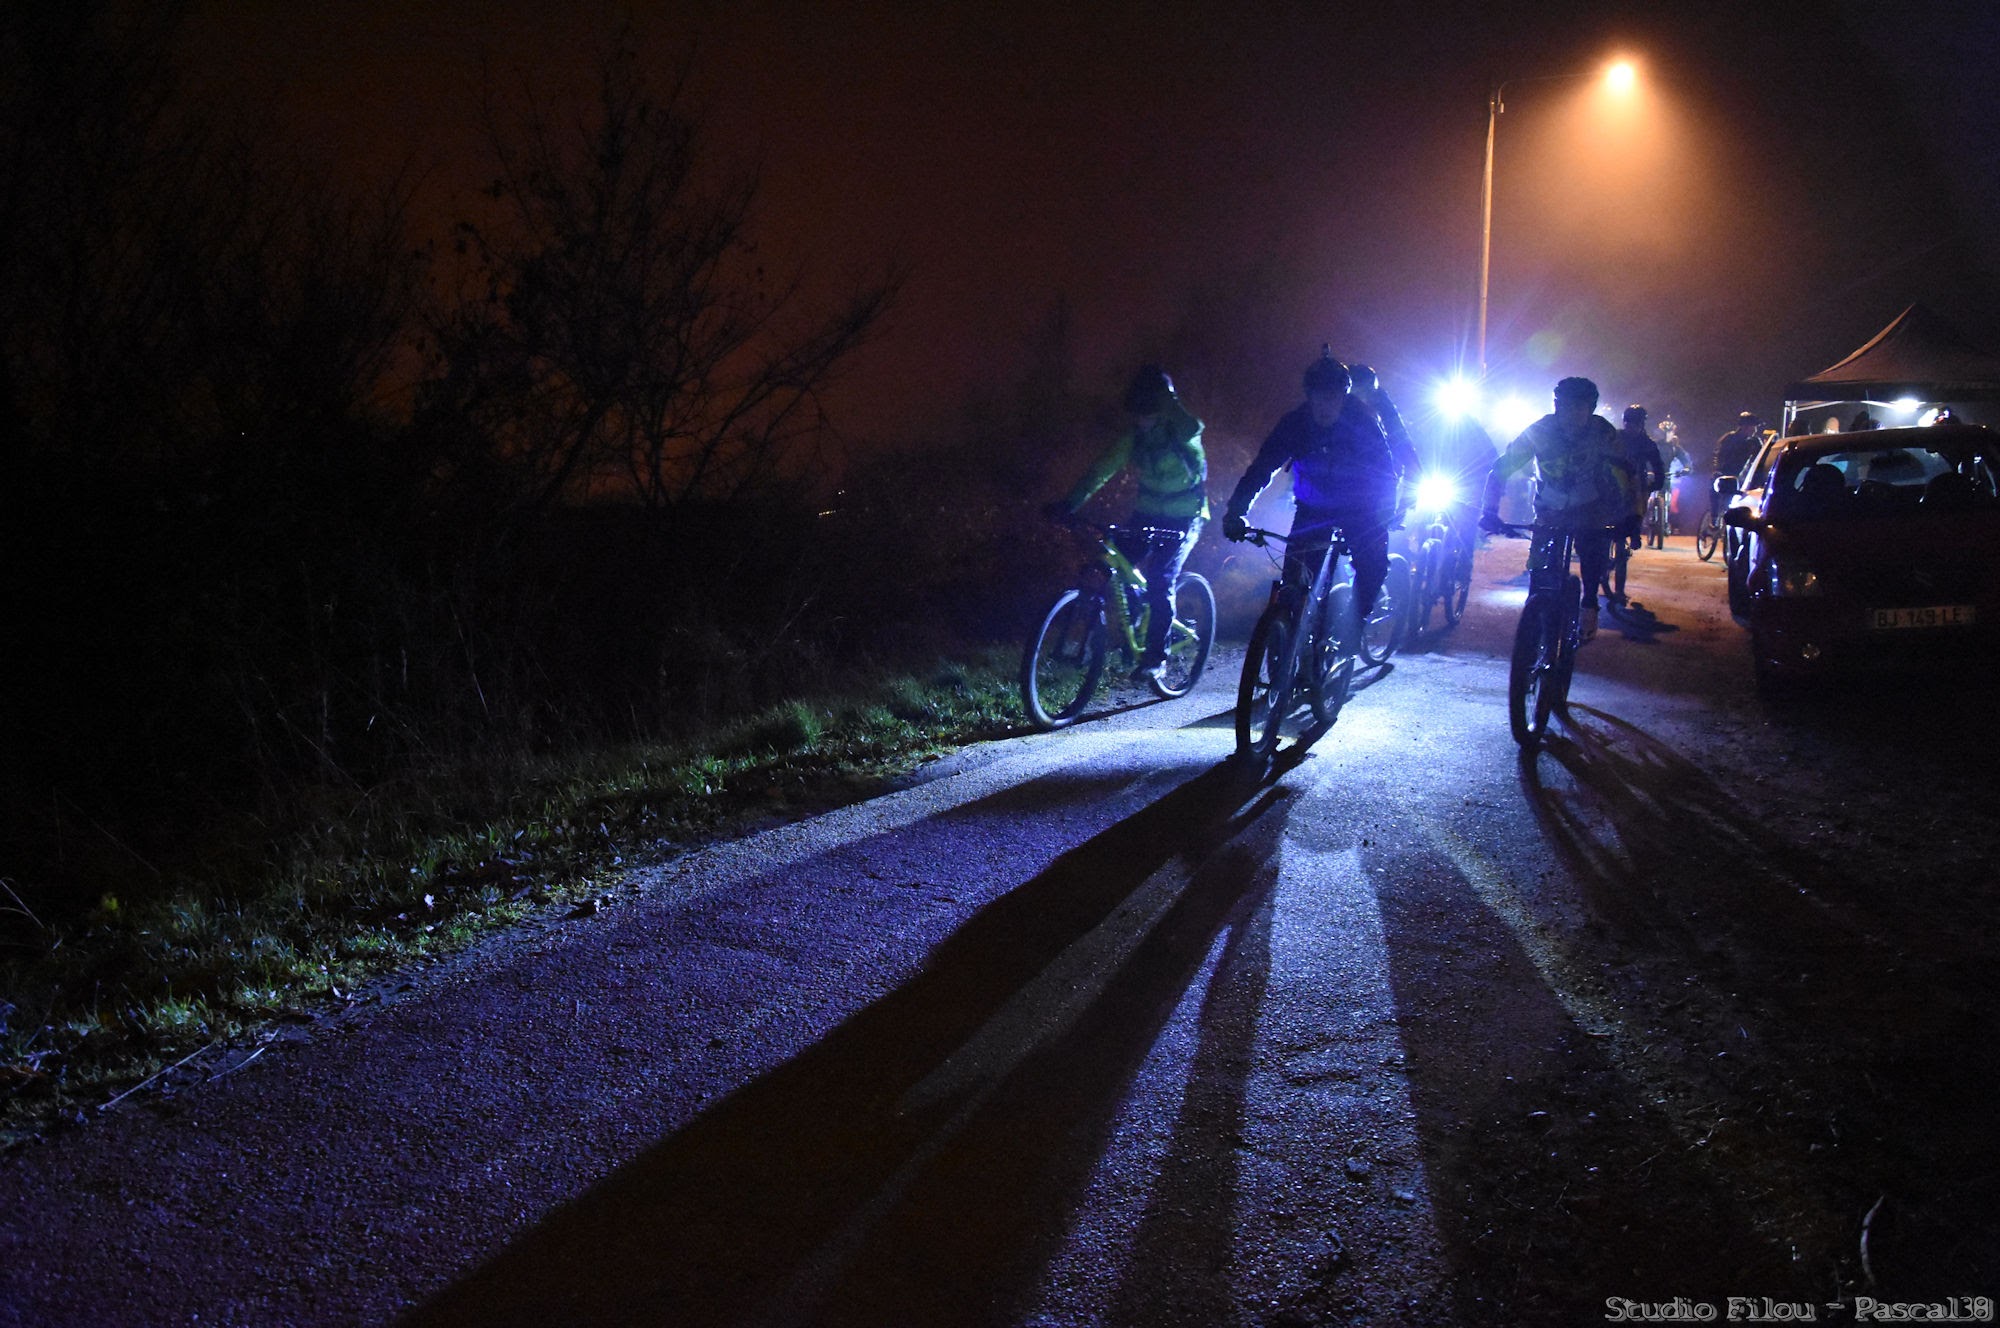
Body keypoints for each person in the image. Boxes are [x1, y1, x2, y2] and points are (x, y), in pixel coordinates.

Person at [1044, 363, 1208, 683]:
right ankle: (1127, 625)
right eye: (1138, 411)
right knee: (1113, 564)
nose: (1142, 419)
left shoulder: (1181, 432)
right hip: (1147, 513)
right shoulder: (1134, 438)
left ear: (1162, 407)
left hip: (1186, 516)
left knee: (1160, 579)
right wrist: (1068, 505)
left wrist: (1168, 399)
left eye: (1149, 410)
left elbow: (1193, 427)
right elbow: (1100, 470)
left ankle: (1156, 657)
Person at [1221, 347, 1398, 625]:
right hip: (1313, 509)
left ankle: (1355, 623)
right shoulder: (1294, 424)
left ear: (1343, 397)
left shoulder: (1362, 424)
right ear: (1309, 396)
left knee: (1373, 564)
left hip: (1360, 509)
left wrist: (1387, 510)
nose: (1325, 405)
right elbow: (1262, 468)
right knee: (1295, 581)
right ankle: (1292, 639)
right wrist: (1237, 511)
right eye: (1318, 396)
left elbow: (1385, 471)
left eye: (1333, 397)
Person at [1479, 376, 1634, 643]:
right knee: (1539, 570)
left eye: (1577, 407)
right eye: (1562, 406)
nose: (1568, 414)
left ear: (1591, 408)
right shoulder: (1539, 430)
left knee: (1592, 551)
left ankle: (1588, 604)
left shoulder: (1603, 433)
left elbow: (1624, 474)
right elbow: (1501, 469)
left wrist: (1630, 515)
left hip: (1591, 507)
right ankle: (1534, 616)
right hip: (1550, 509)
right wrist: (1490, 510)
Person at [1605, 404, 1666, 605]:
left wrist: (1658, 482)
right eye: (1628, 422)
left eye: (1635, 423)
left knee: (1638, 508)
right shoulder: (1614, 438)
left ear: (1641, 425)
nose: (1631, 426)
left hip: (1634, 488)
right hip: (1611, 487)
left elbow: (1657, 465)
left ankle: (1634, 533)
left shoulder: (1646, 443)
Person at [1711, 411, 1761, 521]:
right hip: (1726, 475)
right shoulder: (1729, 439)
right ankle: (1714, 519)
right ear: (1744, 426)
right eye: (1752, 427)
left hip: (1744, 478)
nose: (1754, 430)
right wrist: (1718, 471)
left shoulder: (1755, 442)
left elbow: (1761, 459)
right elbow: (1719, 455)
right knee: (1717, 494)